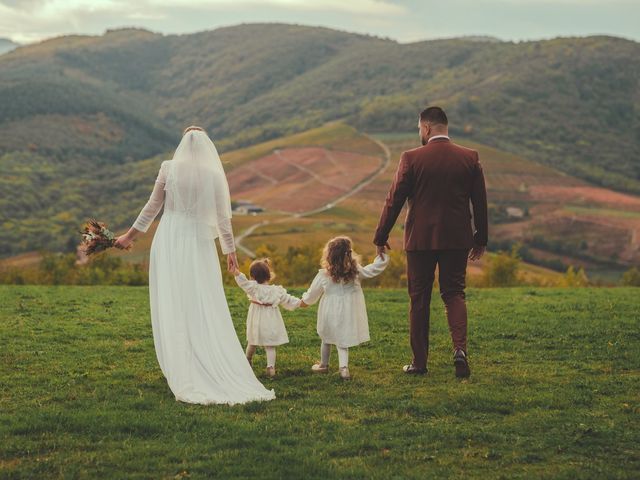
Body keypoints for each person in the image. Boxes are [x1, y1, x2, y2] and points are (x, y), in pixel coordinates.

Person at [115, 126, 275, 404]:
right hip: (199, 242)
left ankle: (182, 361)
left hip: (170, 237)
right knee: (199, 297)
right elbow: (223, 218)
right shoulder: (213, 175)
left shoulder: (168, 168)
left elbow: (152, 206)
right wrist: (230, 251)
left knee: (174, 298)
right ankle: (194, 357)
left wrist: (129, 236)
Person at [373, 106, 488, 378]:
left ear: (426, 128)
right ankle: (459, 350)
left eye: (419, 130)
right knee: (454, 293)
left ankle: (419, 363)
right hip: (457, 238)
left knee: (419, 298)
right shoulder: (469, 157)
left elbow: (394, 200)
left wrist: (381, 235)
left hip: (420, 239)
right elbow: (480, 203)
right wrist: (480, 238)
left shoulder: (411, 158)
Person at [300, 236, 389, 380]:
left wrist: (304, 302)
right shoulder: (355, 272)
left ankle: (324, 365)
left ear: (329, 255)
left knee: (326, 337)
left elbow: (312, 294)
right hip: (349, 312)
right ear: (349, 253)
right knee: (342, 340)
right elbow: (373, 269)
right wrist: (382, 256)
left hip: (329, 311)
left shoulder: (324, 274)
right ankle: (343, 369)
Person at [232, 258, 302, 378]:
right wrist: (301, 302)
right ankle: (271, 367)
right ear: (269, 276)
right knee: (270, 345)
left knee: (252, 341)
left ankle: (247, 360)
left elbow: (243, 282)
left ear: (252, 277)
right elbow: (288, 299)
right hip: (271, 320)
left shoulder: (253, 288)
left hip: (256, 319)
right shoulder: (277, 291)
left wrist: (236, 272)